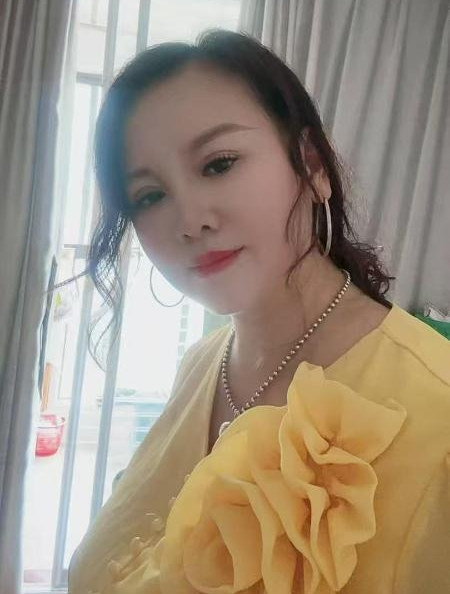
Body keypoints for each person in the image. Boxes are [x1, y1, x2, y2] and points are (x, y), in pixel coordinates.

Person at [68, 31, 450, 594]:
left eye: (218, 164)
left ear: (312, 165)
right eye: (149, 196)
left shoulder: (436, 410)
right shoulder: (199, 366)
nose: (189, 220)